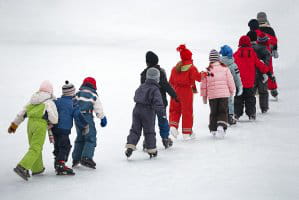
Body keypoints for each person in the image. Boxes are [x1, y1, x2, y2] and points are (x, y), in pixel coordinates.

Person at [8, 81, 58, 181]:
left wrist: (13, 126)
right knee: (36, 147)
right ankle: (22, 167)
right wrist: (50, 121)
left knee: (34, 147)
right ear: (50, 91)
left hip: (30, 124)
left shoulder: (32, 101)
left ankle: (37, 168)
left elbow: (21, 114)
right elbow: (54, 119)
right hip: (40, 124)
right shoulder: (49, 102)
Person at [125, 68, 169, 158]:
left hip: (136, 110)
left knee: (135, 129)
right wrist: (162, 114)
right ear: (157, 79)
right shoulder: (155, 89)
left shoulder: (142, 86)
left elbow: (136, 95)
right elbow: (159, 104)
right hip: (148, 112)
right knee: (149, 131)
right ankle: (151, 149)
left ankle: (130, 146)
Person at [169, 44, 206, 140]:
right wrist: (204, 73)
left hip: (175, 91)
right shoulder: (191, 68)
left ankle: (173, 126)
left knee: (174, 110)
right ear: (189, 57)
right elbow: (198, 78)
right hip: (186, 92)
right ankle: (186, 132)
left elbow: (171, 82)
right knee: (187, 111)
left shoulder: (175, 68)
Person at [140, 51, 177, 148]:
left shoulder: (144, 74)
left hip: (148, 104)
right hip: (161, 103)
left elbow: (142, 89)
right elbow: (166, 85)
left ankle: (147, 140)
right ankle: (165, 138)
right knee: (163, 120)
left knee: (149, 122)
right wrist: (174, 95)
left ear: (147, 62)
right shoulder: (161, 72)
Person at [52, 81, 89, 175]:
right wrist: (84, 125)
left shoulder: (57, 101)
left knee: (58, 145)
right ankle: (60, 164)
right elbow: (78, 116)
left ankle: (57, 162)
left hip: (54, 128)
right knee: (65, 146)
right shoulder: (73, 103)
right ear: (72, 93)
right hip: (64, 129)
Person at [72, 77, 107, 169]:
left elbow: (72, 104)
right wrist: (102, 118)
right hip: (87, 117)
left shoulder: (78, 93)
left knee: (80, 137)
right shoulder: (93, 95)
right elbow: (98, 108)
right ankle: (86, 157)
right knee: (90, 137)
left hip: (77, 118)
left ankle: (76, 158)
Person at [233, 36, 271, 120]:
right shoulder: (252, 54)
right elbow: (258, 64)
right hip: (250, 82)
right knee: (250, 99)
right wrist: (265, 69)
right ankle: (251, 114)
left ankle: (236, 114)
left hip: (239, 82)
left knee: (238, 98)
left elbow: (231, 64)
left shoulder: (236, 54)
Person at [201, 50, 235, 137]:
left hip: (212, 96)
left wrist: (204, 97)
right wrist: (232, 90)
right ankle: (221, 125)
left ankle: (213, 129)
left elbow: (203, 85)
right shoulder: (225, 68)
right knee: (223, 111)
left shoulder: (207, 70)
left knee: (213, 112)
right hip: (224, 95)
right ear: (219, 59)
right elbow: (230, 81)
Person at [247, 31, 274, 113]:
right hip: (262, 74)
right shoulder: (263, 48)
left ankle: (251, 110)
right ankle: (264, 108)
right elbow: (268, 60)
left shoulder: (247, 49)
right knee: (263, 92)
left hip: (251, 74)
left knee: (251, 92)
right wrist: (266, 70)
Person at [257, 12, 279, 99]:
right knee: (269, 70)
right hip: (267, 53)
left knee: (258, 71)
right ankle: (273, 89)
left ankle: (258, 88)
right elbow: (274, 40)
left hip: (257, 53)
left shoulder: (256, 29)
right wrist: (274, 49)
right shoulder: (270, 29)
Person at [219, 45, 243, 125]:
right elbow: (237, 77)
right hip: (229, 87)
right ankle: (230, 117)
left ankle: (220, 118)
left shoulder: (218, 64)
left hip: (219, 87)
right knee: (229, 101)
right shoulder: (233, 65)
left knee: (220, 102)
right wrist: (239, 86)